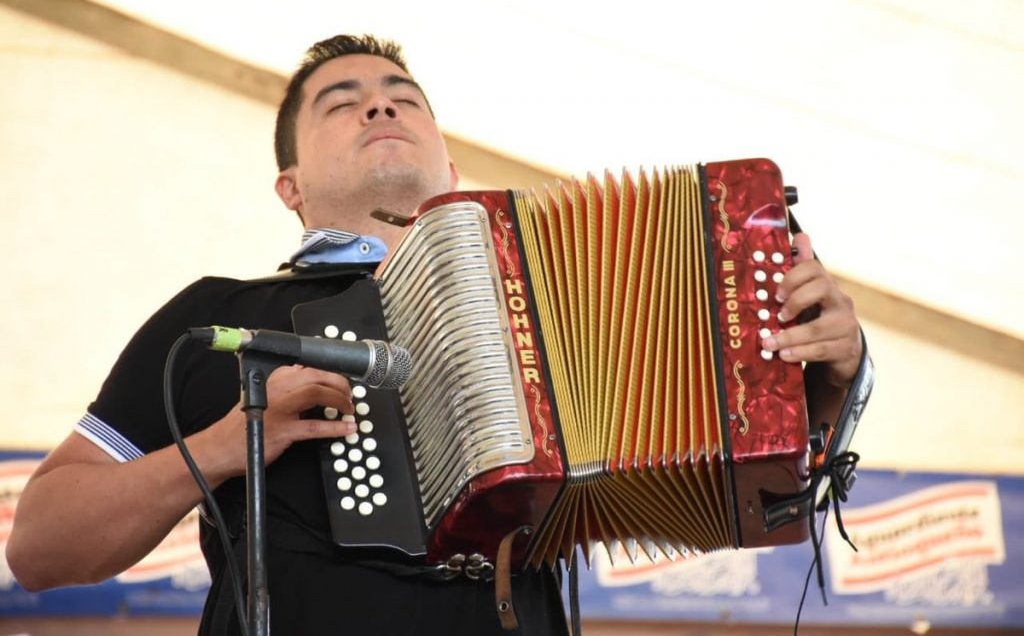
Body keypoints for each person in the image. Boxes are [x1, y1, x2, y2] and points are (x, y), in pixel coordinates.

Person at [5, 34, 865, 635]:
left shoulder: (554, 293)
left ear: (450, 167)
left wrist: (829, 381)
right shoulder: (217, 317)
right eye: (341, 103)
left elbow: (758, 485)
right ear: (290, 186)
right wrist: (229, 444)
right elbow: (40, 545)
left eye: (402, 98)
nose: (379, 105)